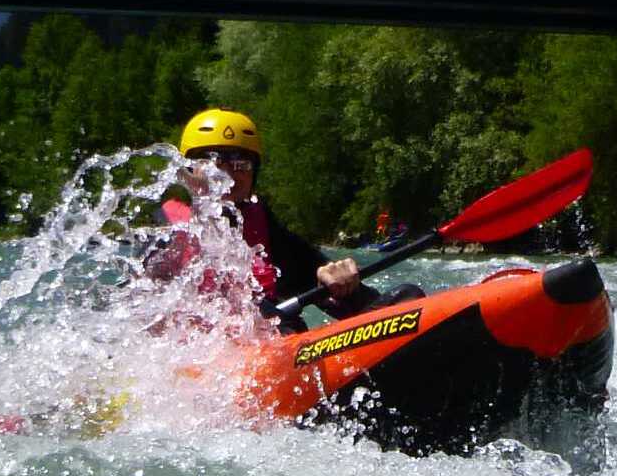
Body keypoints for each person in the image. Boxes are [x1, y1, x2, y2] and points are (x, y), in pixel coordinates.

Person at [149, 108, 422, 333]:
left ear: (253, 174)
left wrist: (340, 282)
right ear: (188, 173)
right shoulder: (168, 230)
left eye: (242, 164)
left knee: (406, 298)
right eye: (214, 162)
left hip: (274, 345)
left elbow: (316, 277)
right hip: (205, 356)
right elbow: (142, 311)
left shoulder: (265, 227)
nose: (229, 174)